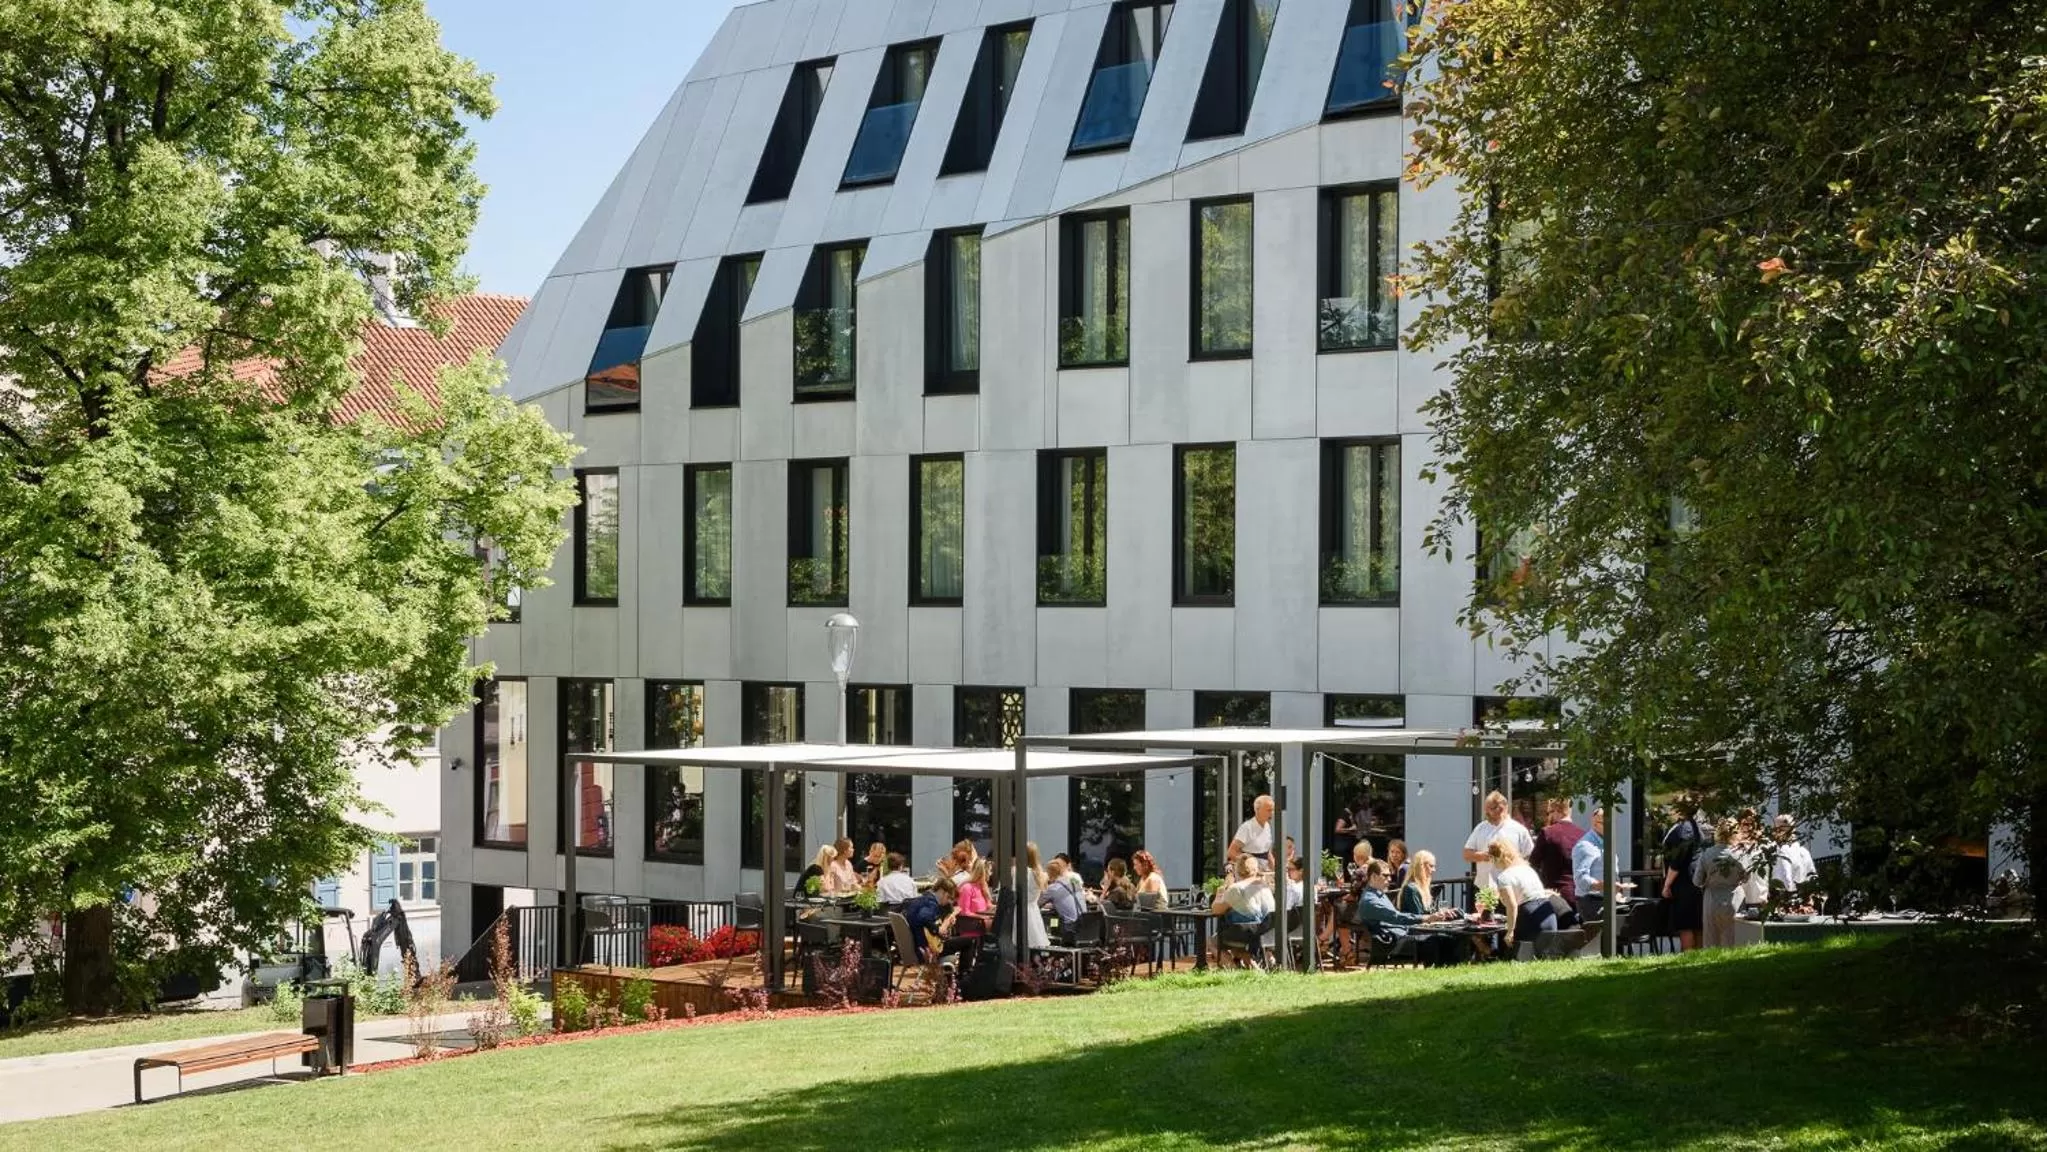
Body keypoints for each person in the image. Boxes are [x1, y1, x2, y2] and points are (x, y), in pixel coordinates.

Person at [1354, 860, 1458, 967]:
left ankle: (1448, 973)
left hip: (1402, 936)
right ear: (1373, 877)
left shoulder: (1379, 894)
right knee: (1437, 941)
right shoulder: (1370, 901)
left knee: (1448, 938)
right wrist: (1426, 918)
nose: (1389, 879)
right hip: (1393, 944)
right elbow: (1397, 917)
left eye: (1390, 875)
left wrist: (1429, 919)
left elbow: (1397, 918)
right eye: (1385, 876)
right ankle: (1438, 975)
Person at [1489, 836, 1566, 955]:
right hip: (1547, 913)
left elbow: (1512, 906)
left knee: (1520, 954)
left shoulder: (1504, 877)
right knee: (1543, 954)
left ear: (1495, 858)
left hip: (1529, 915)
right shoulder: (1527, 869)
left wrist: (1510, 931)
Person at [1464, 790, 1534, 896]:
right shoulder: (1481, 828)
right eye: (1488, 809)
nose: (1488, 812)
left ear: (1504, 807)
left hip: (1511, 887)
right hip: (1485, 888)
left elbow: (1530, 856)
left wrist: (1510, 860)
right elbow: (1466, 854)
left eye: (1493, 808)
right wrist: (1484, 856)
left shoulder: (1518, 830)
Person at [1211, 855, 1276, 966]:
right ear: (1256, 869)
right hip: (1266, 931)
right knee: (1237, 947)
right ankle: (1255, 970)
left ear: (1237, 870)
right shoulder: (1265, 888)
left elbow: (1216, 910)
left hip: (1245, 932)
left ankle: (1232, 970)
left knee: (1212, 941)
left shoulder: (1236, 888)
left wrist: (1221, 890)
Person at [1693, 818, 1747, 949]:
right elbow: (1746, 876)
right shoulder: (1739, 854)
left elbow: (1697, 881)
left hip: (1711, 899)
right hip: (1734, 899)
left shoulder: (1707, 854)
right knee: (1733, 941)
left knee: (1711, 941)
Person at [1660, 797, 1705, 951]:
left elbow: (1678, 860)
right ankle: (1699, 958)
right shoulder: (1694, 826)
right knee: (1696, 924)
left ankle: (1689, 957)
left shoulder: (1684, 828)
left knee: (1686, 924)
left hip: (1685, 882)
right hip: (1695, 880)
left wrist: (1667, 884)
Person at [1526, 797, 1584, 906]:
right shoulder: (1582, 834)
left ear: (1556, 811)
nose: (1548, 816)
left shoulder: (1547, 833)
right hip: (1579, 894)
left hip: (1555, 893)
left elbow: (1533, 862)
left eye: (1549, 812)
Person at [1572, 807, 1608, 927]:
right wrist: (1602, 885)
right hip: (1591, 901)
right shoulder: (1585, 846)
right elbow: (1580, 879)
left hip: (1607, 899)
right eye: (1604, 822)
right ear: (1594, 823)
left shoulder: (1606, 842)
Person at [1770, 814, 1817, 896]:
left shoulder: (1803, 852)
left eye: (1781, 829)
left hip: (1796, 896)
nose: (1776, 832)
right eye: (1775, 829)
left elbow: (1812, 877)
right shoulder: (1771, 851)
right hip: (1776, 897)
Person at [1228, 794, 1276, 872]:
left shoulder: (1267, 826)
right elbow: (1232, 852)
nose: (1272, 813)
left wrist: (1275, 870)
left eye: (1273, 810)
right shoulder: (1247, 827)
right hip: (1247, 873)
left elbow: (1267, 852)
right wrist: (1249, 867)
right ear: (1257, 810)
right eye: (1269, 810)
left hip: (1263, 871)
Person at [1039, 856, 1085, 924]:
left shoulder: (1053, 888)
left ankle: (1049, 933)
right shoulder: (1074, 882)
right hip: (1086, 924)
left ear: (1049, 874)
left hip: (1070, 927)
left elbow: (1037, 903)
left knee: (1050, 920)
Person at [1400, 850, 1439, 916]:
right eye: (1431, 866)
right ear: (1421, 866)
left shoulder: (1421, 888)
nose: (1434, 870)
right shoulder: (1411, 889)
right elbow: (1419, 917)